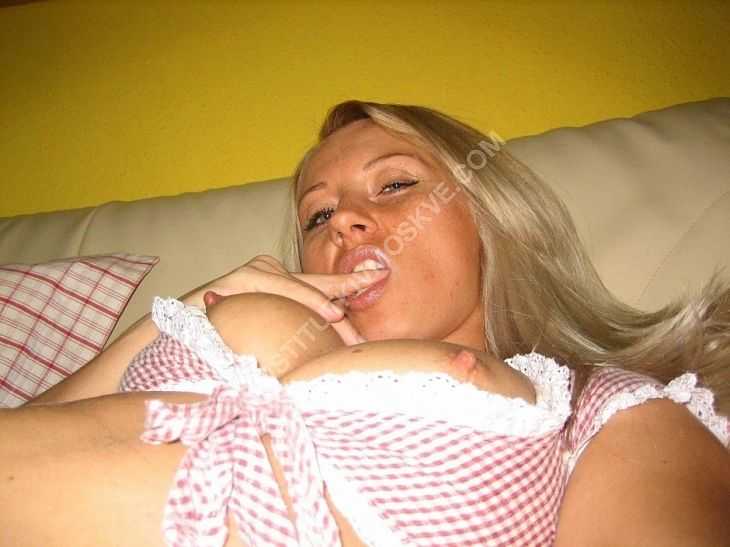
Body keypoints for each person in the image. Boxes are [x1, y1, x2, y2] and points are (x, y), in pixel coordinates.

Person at [1, 100, 729, 547]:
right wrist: (186, 310)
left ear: (492, 219)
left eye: (395, 184)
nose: (344, 221)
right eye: (317, 215)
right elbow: (35, 428)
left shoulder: (602, 410)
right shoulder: (233, 330)